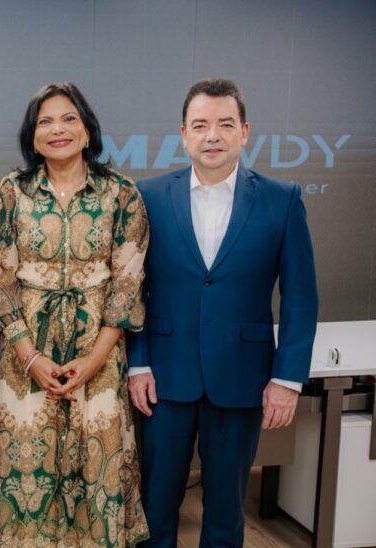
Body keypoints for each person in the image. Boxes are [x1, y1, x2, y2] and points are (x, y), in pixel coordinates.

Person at [127, 78, 318, 547]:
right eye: (201, 125)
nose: (213, 135)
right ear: (183, 134)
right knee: (155, 506)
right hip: (164, 380)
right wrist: (139, 362)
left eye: (225, 124)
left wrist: (287, 379)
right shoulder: (147, 197)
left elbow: (300, 297)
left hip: (243, 379)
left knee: (227, 511)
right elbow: (130, 290)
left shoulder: (282, 199)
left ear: (245, 131)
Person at [0, 82, 150, 546]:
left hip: (101, 357)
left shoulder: (122, 194)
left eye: (69, 118)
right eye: (45, 121)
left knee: (97, 474)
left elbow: (127, 284)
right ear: (32, 137)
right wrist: (31, 358)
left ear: (88, 130)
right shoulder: (12, 191)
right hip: (24, 357)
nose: (58, 129)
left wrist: (91, 364)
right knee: (24, 477)